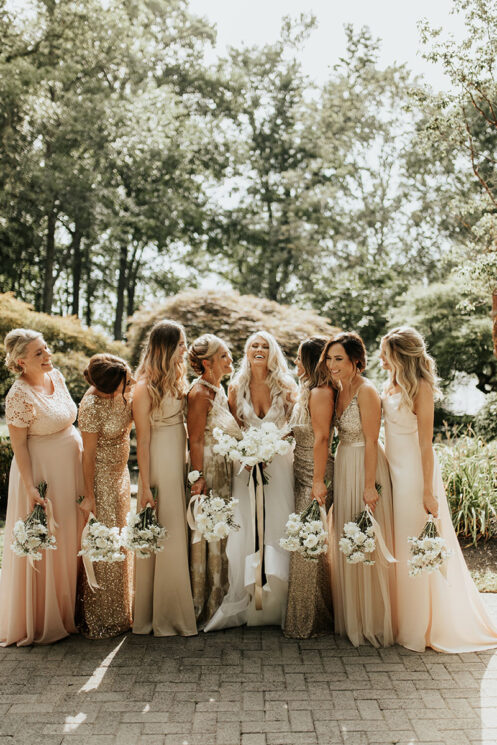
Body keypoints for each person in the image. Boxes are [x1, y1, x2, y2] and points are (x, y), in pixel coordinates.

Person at [381, 326, 497, 652]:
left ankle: (424, 625)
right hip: (391, 472)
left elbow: (426, 444)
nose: (380, 358)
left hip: (415, 477)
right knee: (400, 547)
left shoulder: (421, 386)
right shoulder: (390, 385)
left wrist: (428, 491)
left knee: (416, 545)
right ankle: (404, 620)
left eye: (385, 351)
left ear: (400, 354)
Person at [205, 331, 297, 631]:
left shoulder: (286, 386)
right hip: (245, 467)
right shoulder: (236, 387)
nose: (259, 349)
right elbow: (234, 427)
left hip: (279, 464)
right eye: (253, 345)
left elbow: (294, 426)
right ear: (246, 352)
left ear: (272, 352)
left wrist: (271, 448)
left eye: (264, 346)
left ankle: (276, 601)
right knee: (246, 525)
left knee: (278, 524)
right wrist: (248, 451)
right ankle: (248, 596)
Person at [0, 329, 84, 646]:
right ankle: (40, 617)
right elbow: (19, 447)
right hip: (42, 473)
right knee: (50, 540)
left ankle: (69, 609)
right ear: (21, 362)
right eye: (38, 353)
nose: (47, 355)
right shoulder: (18, 396)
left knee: (70, 537)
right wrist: (32, 486)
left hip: (70, 469)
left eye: (46, 348)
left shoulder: (56, 376)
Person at [322, 332, 395, 648]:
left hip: (365, 466)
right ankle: (352, 617)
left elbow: (370, 440)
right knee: (346, 536)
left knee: (365, 539)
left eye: (338, 359)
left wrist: (369, 486)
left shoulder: (366, 391)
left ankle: (372, 620)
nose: (332, 364)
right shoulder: (337, 390)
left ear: (356, 360)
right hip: (344, 465)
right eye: (329, 358)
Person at [132, 320, 197, 637]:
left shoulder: (178, 378)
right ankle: (160, 614)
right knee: (164, 526)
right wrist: (144, 485)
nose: (186, 348)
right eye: (182, 343)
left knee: (176, 527)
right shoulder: (143, 387)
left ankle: (172, 605)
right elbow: (141, 440)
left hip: (178, 457)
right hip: (158, 459)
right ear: (167, 347)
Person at [77, 354, 134, 639]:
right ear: (110, 385)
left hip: (121, 476)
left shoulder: (123, 395)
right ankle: (104, 615)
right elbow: (87, 456)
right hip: (99, 479)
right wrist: (89, 496)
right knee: (106, 542)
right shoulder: (90, 406)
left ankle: (124, 608)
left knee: (123, 539)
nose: (131, 383)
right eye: (125, 381)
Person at [187, 334, 241, 628]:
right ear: (207, 363)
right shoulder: (199, 394)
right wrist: (198, 478)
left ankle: (223, 596)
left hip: (223, 467)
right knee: (209, 534)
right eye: (223, 356)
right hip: (208, 467)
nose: (229, 360)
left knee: (223, 532)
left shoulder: (219, 390)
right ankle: (205, 601)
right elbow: (194, 439)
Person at [283, 336, 335, 639]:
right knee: (306, 541)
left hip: (313, 472)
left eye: (300, 358)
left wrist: (318, 481)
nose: (296, 363)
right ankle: (311, 614)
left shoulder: (321, 392)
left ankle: (308, 620)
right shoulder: (308, 391)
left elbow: (322, 439)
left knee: (306, 542)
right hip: (299, 469)